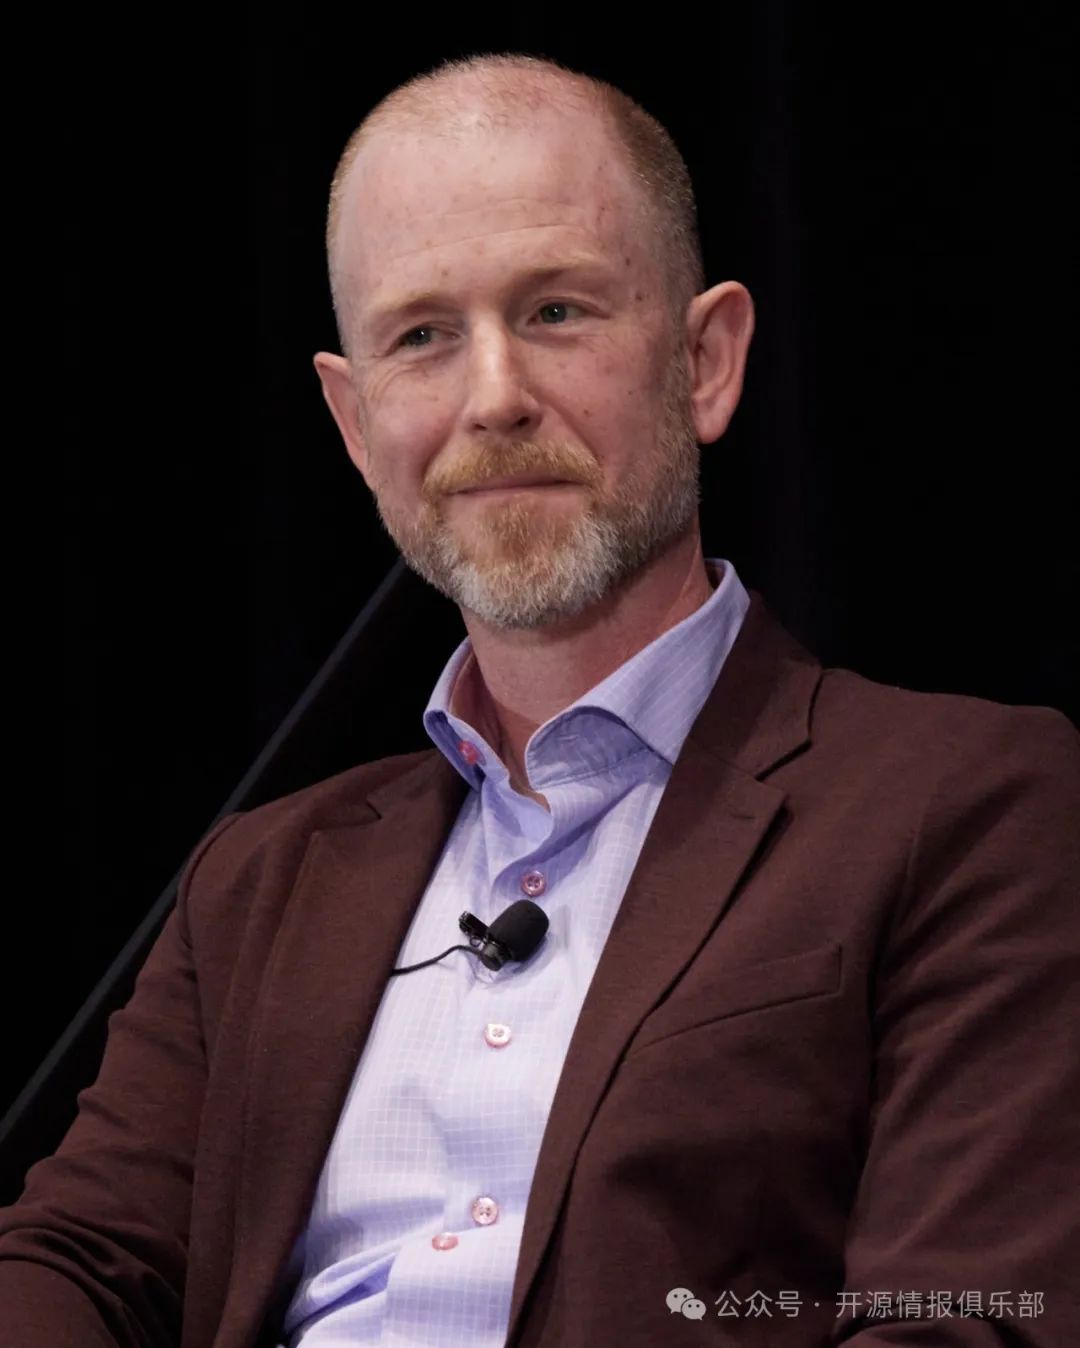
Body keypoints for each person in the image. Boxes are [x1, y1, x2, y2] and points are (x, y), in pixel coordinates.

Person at [2, 51, 1078, 1348]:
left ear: (706, 361)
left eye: (557, 311)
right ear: (355, 424)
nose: (495, 398)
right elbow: (76, 1260)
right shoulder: (258, 883)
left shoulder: (969, 804)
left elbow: (963, 1319)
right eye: (422, 337)